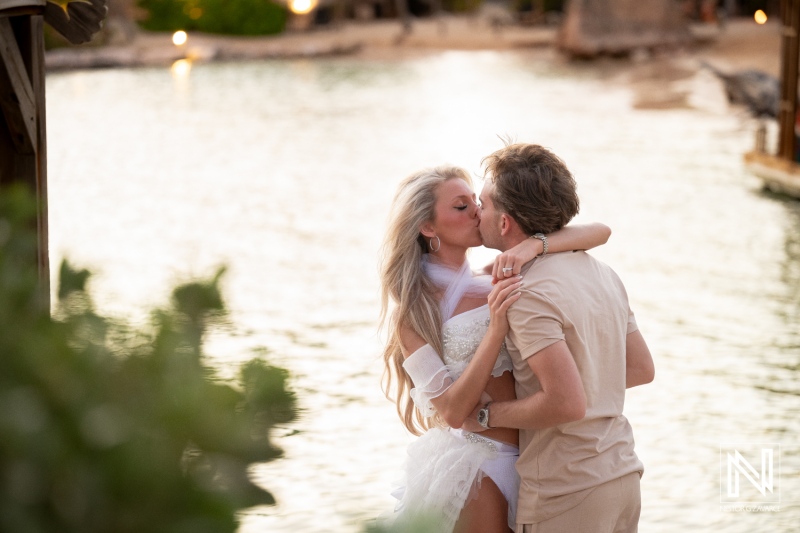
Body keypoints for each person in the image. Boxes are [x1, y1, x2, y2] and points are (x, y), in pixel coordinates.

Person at [379, 165, 612, 533]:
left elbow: (601, 232)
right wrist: (495, 329)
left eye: (475, 201)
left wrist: (534, 245)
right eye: (460, 207)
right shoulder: (414, 313)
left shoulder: (495, 274)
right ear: (428, 227)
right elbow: (454, 411)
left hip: (541, 461)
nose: (476, 210)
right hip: (477, 466)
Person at [473, 143, 655, 533]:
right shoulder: (603, 273)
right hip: (622, 475)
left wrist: (487, 414)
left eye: (483, 204)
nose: (476, 212)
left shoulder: (523, 293)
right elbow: (641, 368)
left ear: (504, 223)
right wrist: (583, 374)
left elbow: (566, 403)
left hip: (567, 492)